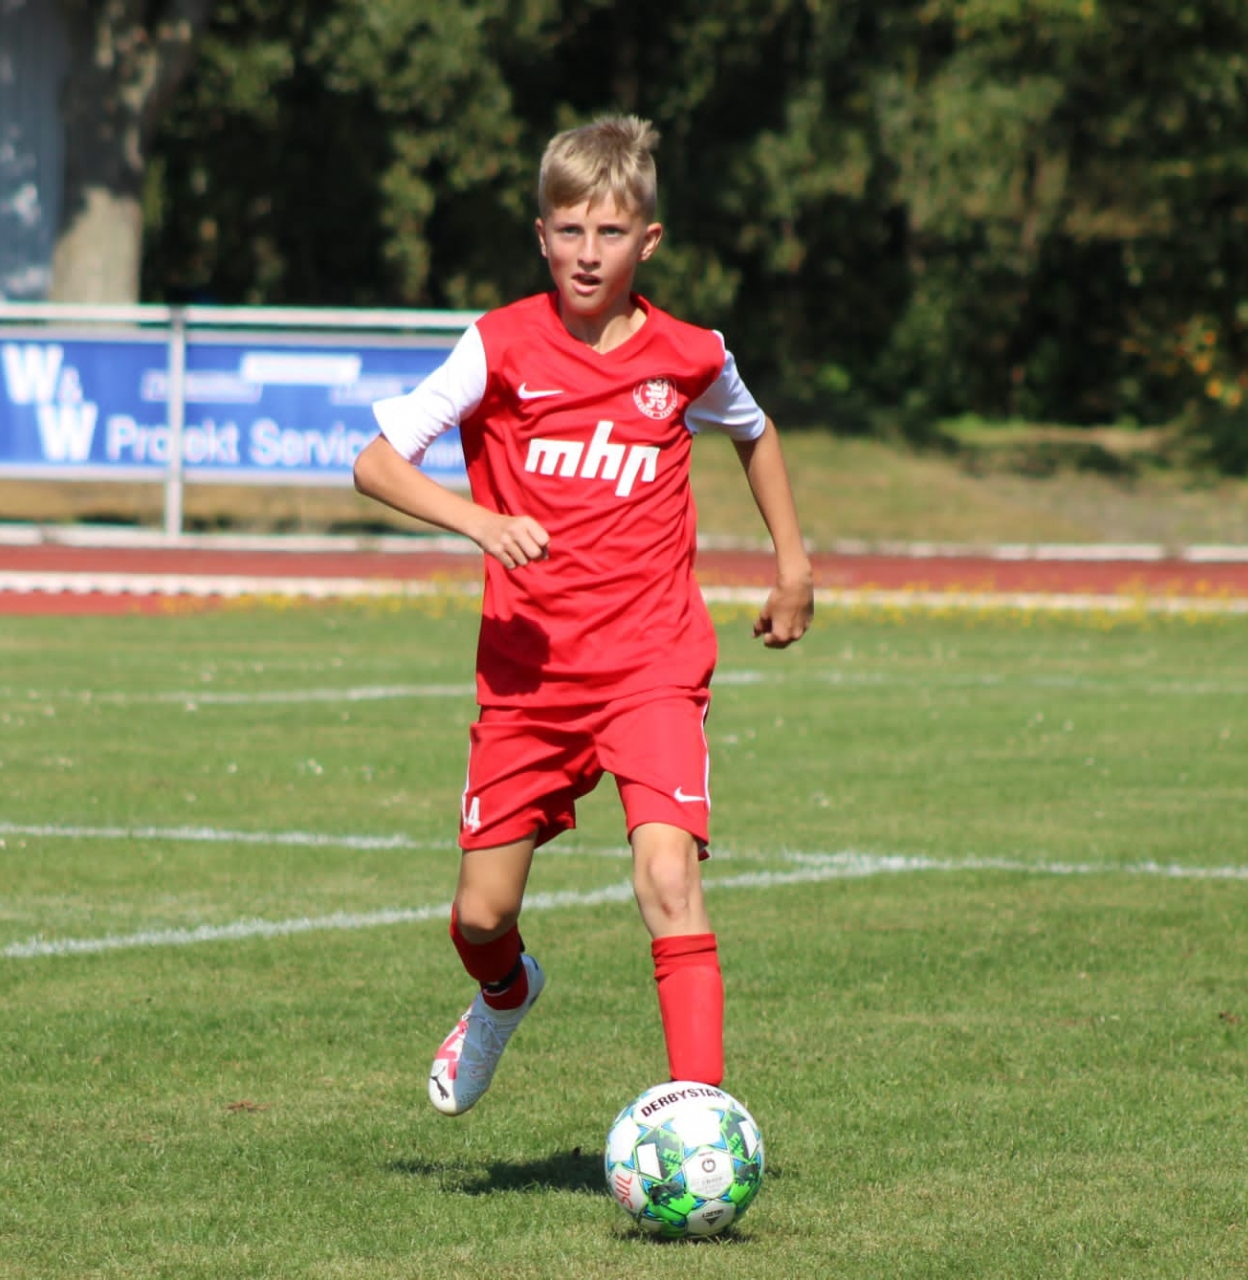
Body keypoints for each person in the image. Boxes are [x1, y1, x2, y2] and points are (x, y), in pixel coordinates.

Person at [353, 114, 814, 1116]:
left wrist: (793, 564)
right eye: (569, 231)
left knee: (667, 878)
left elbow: (755, 430)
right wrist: (481, 521)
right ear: (542, 235)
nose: (588, 253)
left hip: (652, 664)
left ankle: (699, 1120)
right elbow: (377, 463)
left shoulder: (689, 355)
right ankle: (504, 992)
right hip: (528, 675)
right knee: (482, 914)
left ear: (648, 240)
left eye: (610, 232)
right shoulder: (497, 345)